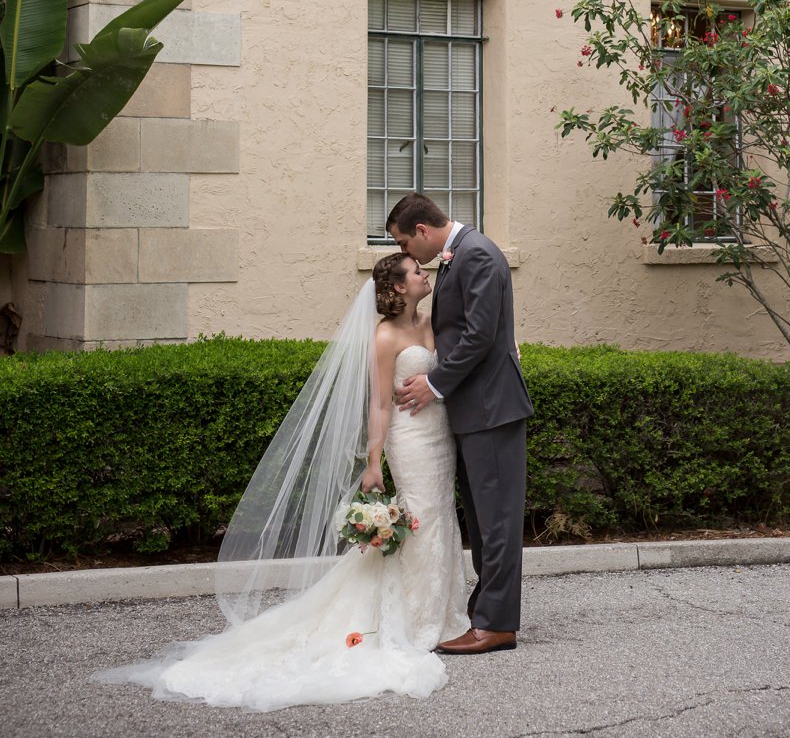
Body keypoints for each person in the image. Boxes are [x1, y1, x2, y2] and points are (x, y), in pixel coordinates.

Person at [91, 254, 469, 709]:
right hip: (408, 440)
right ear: (397, 287)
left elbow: (459, 359)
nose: (425, 275)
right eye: (416, 272)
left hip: (439, 434)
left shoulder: (431, 321)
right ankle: (418, 620)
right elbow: (380, 404)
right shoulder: (385, 336)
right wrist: (373, 462)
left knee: (440, 516)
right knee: (420, 518)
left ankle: (445, 613)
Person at [387, 193, 533, 656]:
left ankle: (497, 625)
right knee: (484, 519)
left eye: (406, 244)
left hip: (492, 409)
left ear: (424, 232)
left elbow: (480, 334)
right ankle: (483, 612)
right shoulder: (457, 257)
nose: (409, 255)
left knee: (499, 522)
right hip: (475, 410)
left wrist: (433, 383)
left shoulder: (478, 255)